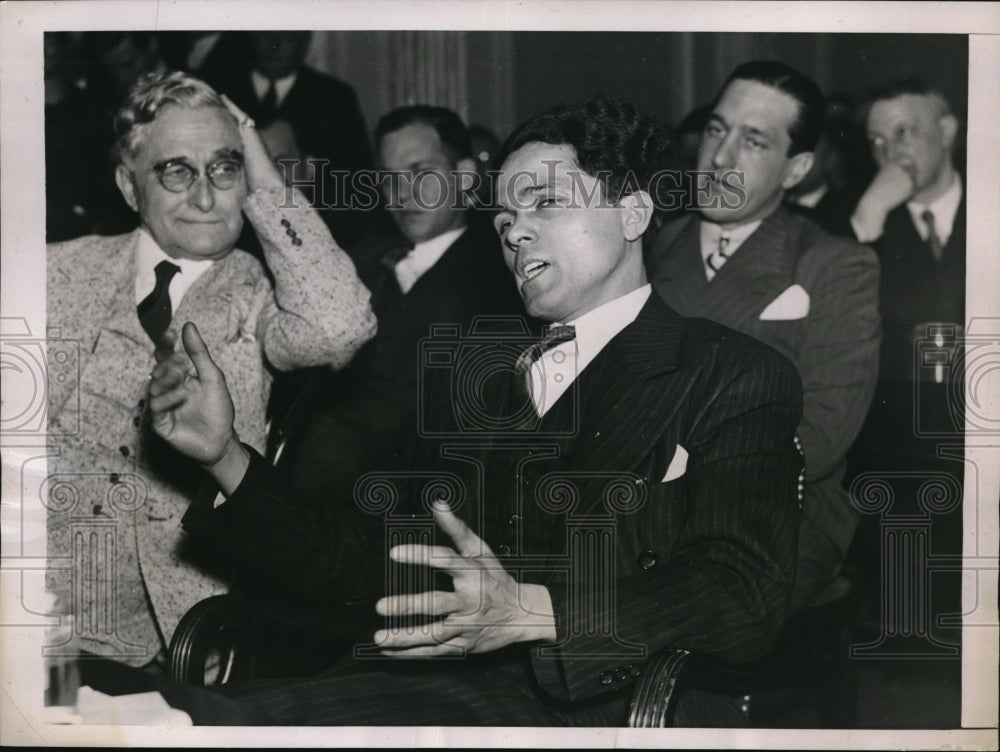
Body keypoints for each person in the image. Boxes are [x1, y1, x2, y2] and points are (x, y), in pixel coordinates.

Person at [147, 95, 804, 727]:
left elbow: (741, 592)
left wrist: (534, 613)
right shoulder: (480, 380)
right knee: (173, 713)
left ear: (631, 212)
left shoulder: (732, 373)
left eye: (544, 202)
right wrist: (226, 456)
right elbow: (372, 557)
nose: (515, 230)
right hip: (423, 686)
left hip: (593, 706)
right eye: (503, 220)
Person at [45, 70, 377, 668]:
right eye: (176, 170)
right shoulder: (57, 271)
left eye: (224, 169)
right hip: (40, 606)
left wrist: (261, 165)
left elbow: (340, 326)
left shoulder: (263, 294)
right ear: (128, 185)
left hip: (182, 626)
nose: (205, 197)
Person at [646, 60, 880, 610]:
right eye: (716, 130)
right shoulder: (654, 244)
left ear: (796, 168)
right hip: (643, 501)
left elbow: (822, 434)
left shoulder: (834, 263)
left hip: (779, 511)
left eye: (752, 142)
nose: (720, 158)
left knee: (665, 607)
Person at [267, 105, 528, 501]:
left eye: (421, 173)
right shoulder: (357, 260)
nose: (402, 194)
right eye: (389, 179)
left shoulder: (501, 279)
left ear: (465, 176)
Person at [203, 31, 373, 247]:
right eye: (267, 35)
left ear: (305, 41)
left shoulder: (334, 97)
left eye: (287, 37)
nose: (274, 45)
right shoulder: (220, 90)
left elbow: (354, 183)